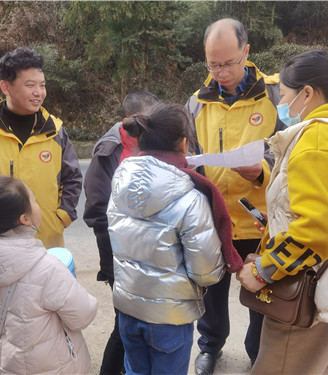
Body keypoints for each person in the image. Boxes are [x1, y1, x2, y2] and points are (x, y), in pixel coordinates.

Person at [236, 50, 328, 374]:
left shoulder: (320, 135)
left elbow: (317, 230)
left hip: (308, 290)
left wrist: (261, 271)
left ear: (308, 93)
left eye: (284, 96)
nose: (282, 105)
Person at [107, 102, 243, 375]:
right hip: (169, 317)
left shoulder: (120, 180)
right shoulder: (190, 197)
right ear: (184, 143)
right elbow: (206, 272)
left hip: (128, 309)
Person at [185, 18, 286, 373]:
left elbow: (292, 154)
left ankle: (258, 351)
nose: (220, 72)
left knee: (262, 294)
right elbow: (191, 155)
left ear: (247, 52)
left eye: (228, 63)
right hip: (215, 218)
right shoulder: (196, 104)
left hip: (261, 221)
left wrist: (262, 171)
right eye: (213, 64)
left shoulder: (277, 95)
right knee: (211, 292)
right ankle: (210, 347)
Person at [0, 176, 98, 374]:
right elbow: (83, 315)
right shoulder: (48, 269)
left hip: (4, 365)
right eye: (33, 199)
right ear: (25, 219)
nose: (36, 203)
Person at [0, 46, 82, 249]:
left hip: (47, 239)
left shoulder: (54, 130)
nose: (38, 93)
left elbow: (72, 178)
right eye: (30, 85)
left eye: (42, 85)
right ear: (6, 87)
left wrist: (62, 217)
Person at [83, 90, 159, 375]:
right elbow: (97, 210)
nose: (154, 125)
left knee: (143, 319)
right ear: (129, 119)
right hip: (119, 253)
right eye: (148, 119)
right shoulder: (111, 149)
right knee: (125, 323)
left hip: (147, 250)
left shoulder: (152, 142)